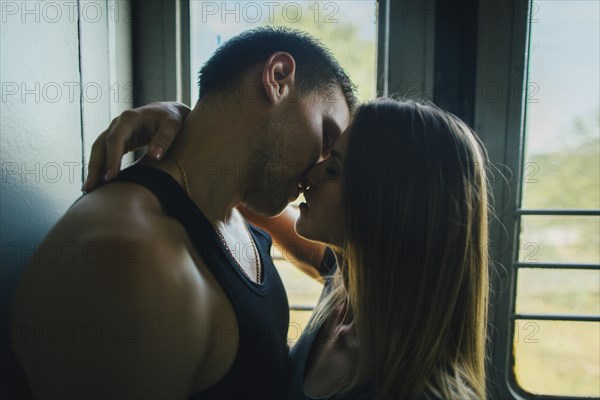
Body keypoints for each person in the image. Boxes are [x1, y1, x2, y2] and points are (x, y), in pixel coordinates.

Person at [10, 27, 357, 399]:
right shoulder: (131, 261)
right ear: (278, 78)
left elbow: (348, 254)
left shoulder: (229, 206)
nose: (315, 173)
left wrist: (184, 118)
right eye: (325, 139)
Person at [85, 98, 491, 399]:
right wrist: (176, 121)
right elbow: (241, 194)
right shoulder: (348, 287)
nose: (310, 175)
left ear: (387, 209)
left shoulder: (429, 391)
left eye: (332, 169)